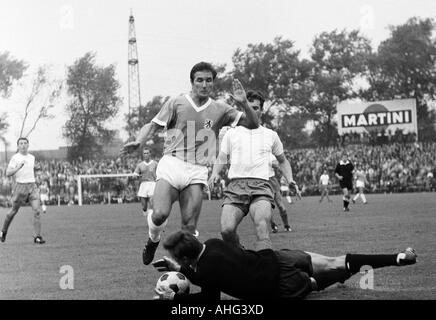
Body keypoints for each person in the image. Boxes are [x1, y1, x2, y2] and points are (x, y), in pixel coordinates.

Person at [120, 62, 259, 265]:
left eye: (208, 80)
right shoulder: (177, 103)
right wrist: (139, 141)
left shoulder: (221, 109)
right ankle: (153, 239)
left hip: (197, 170)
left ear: (213, 83)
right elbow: (151, 125)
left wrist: (244, 103)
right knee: (159, 214)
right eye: (200, 80)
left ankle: (185, 269)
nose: (204, 84)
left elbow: (253, 123)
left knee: (189, 226)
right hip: (172, 163)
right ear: (192, 82)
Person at [152, 230, 417, 301]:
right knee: (336, 261)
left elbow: (210, 299)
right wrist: (181, 267)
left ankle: (341, 275)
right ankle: (398, 257)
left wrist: (177, 298)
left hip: (279, 287)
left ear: (186, 259)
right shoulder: (214, 243)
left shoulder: (206, 273)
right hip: (279, 259)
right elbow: (216, 266)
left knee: (315, 284)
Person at [208, 90, 296, 251]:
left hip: (261, 186)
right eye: (248, 106)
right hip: (235, 186)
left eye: (256, 108)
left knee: (262, 227)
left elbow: (283, 161)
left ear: (261, 111)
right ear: (242, 109)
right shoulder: (231, 133)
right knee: (226, 230)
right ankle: (241, 256)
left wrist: (290, 180)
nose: (252, 110)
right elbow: (221, 157)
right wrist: (214, 174)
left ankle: (263, 267)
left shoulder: (270, 135)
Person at [0, 137, 46, 244]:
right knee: (13, 212)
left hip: (32, 186)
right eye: (21, 143)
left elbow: (30, 168)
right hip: (20, 187)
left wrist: (36, 168)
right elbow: (7, 173)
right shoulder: (15, 158)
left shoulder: (32, 157)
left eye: (25, 143)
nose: (23, 145)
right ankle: (3, 231)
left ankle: (37, 237)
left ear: (28, 145)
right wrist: (18, 168)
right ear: (18, 146)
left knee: (37, 211)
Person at [270, 156, 292, 233]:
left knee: (281, 206)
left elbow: (279, 167)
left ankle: (286, 225)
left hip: (273, 182)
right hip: (262, 183)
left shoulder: (271, 155)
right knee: (267, 208)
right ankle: (273, 225)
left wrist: (289, 180)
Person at [133, 148, 158, 216]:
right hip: (143, 185)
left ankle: (151, 219)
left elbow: (160, 173)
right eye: (144, 153)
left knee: (152, 202)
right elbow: (135, 174)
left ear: (150, 154)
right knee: (144, 207)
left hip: (152, 184)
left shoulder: (155, 163)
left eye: (147, 153)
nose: (146, 154)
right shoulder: (140, 165)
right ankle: (146, 214)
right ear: (143, 155)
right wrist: (135, 176)